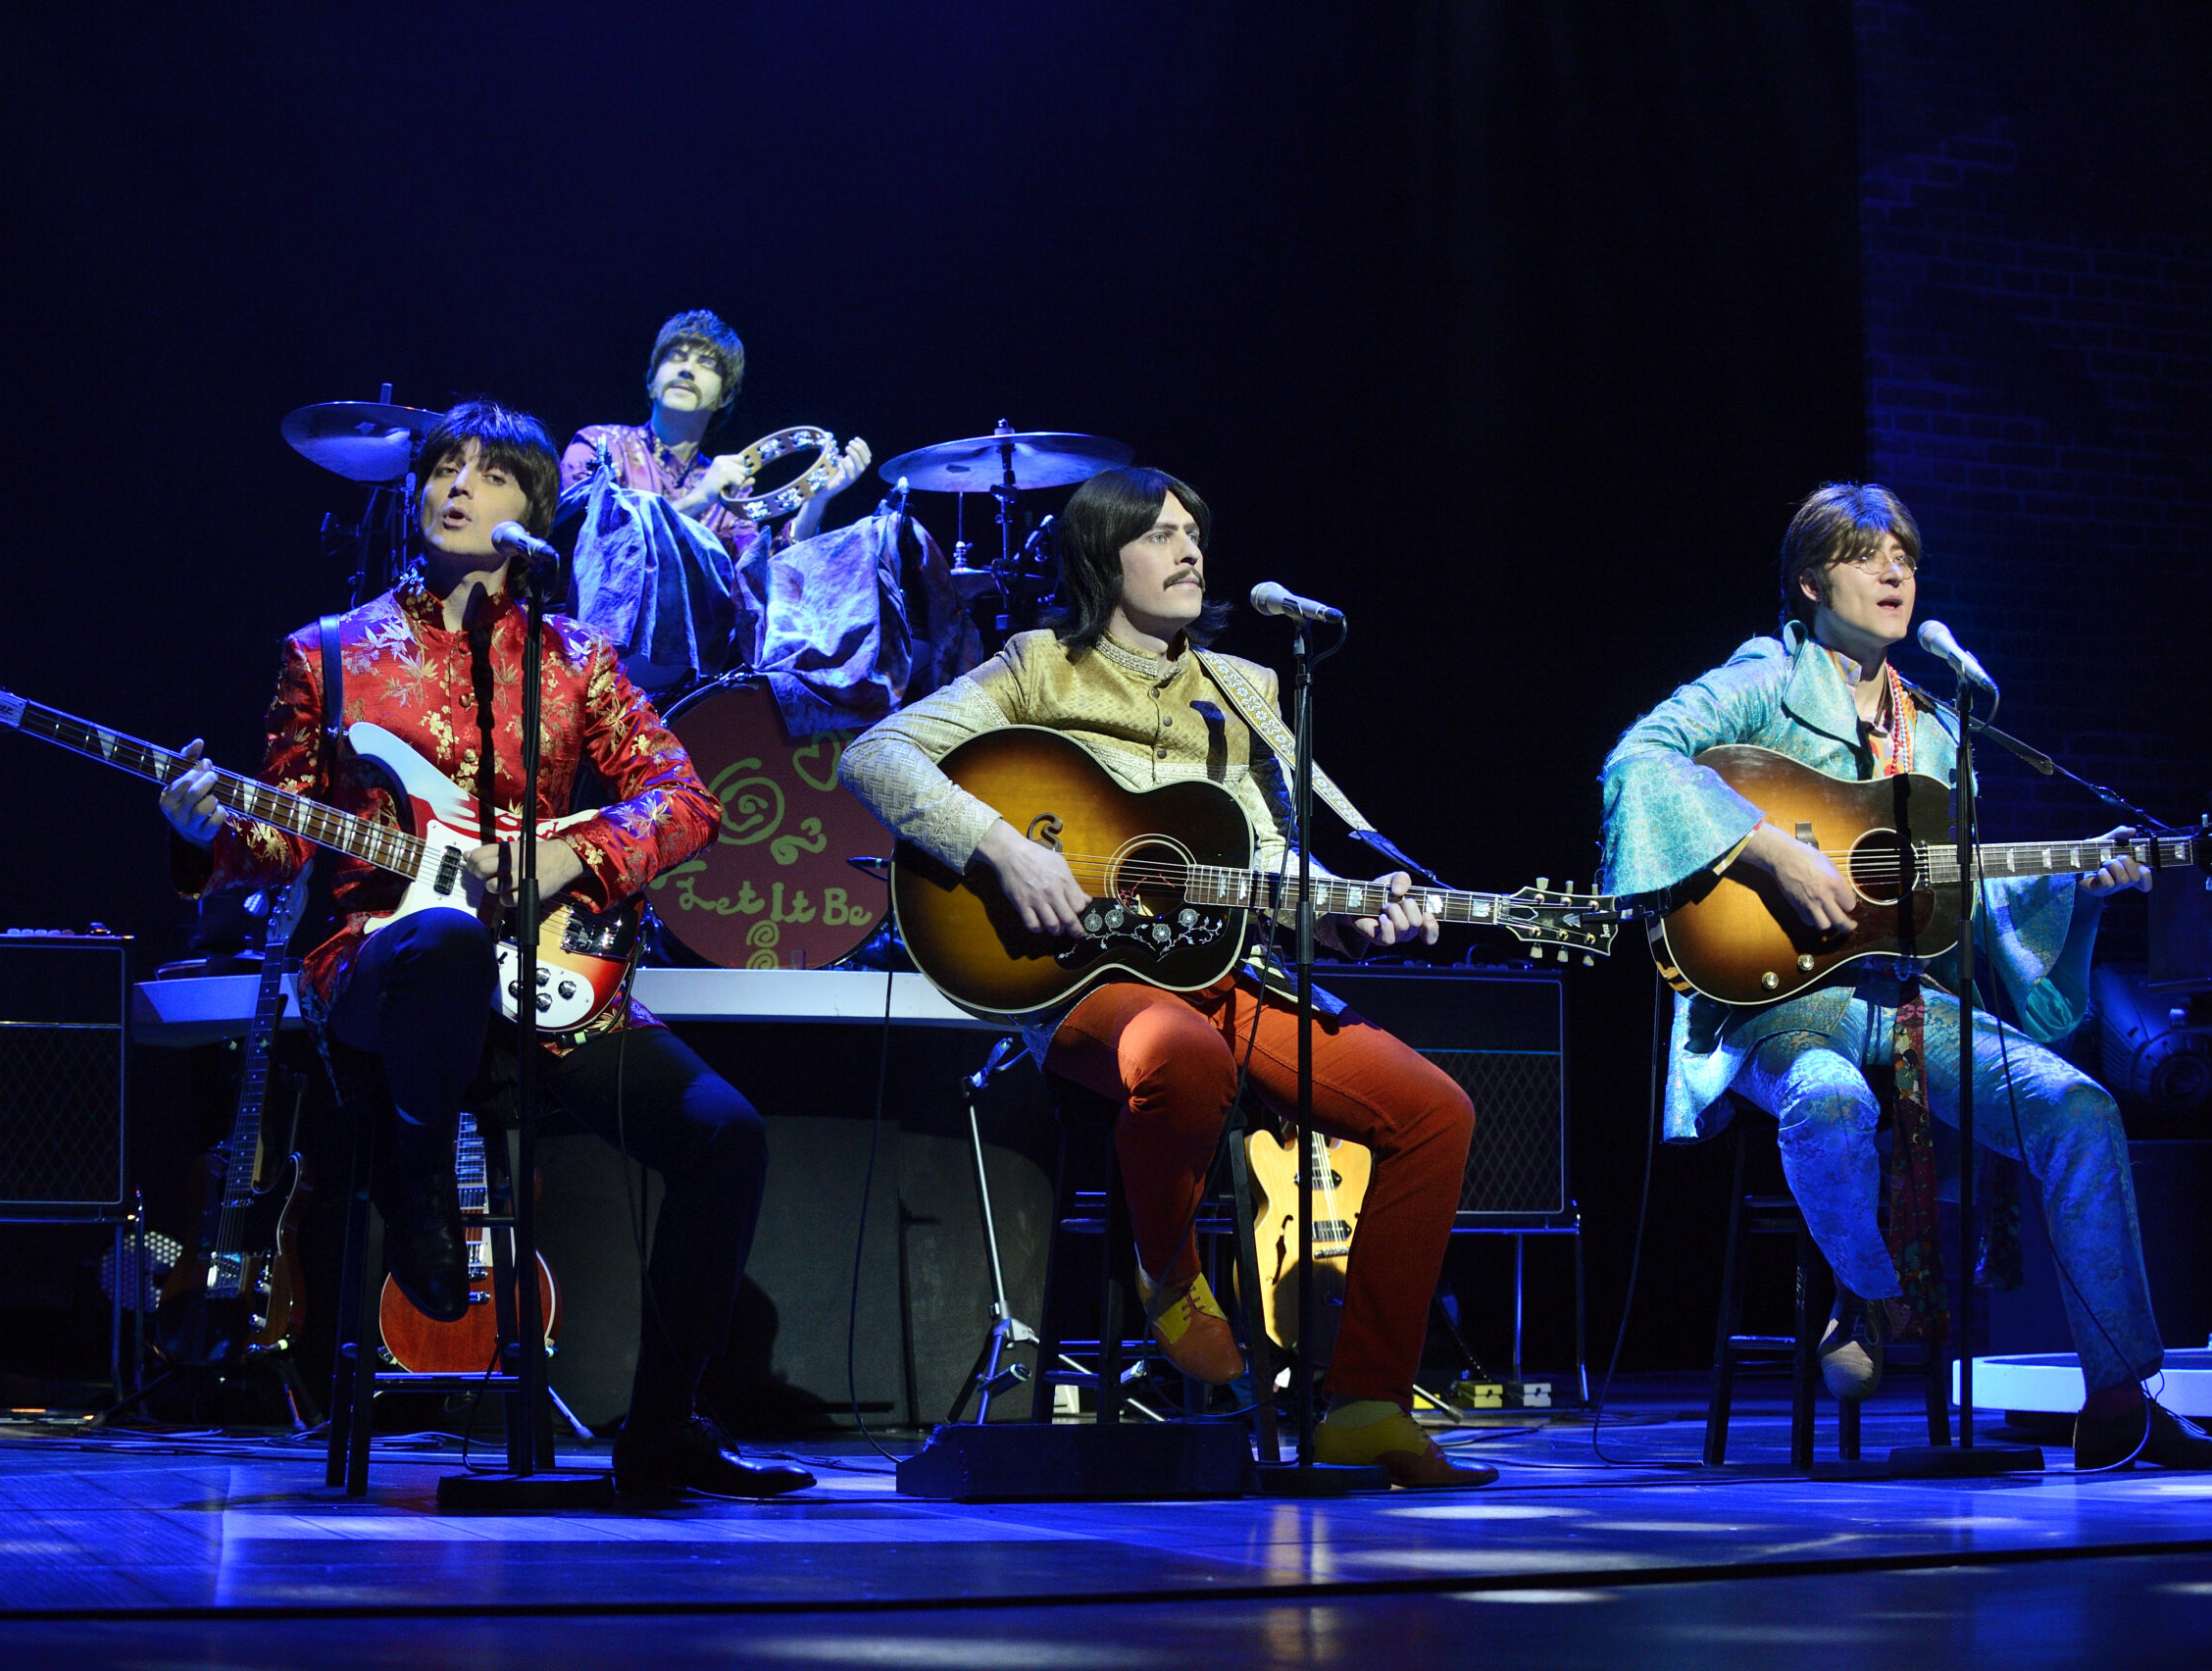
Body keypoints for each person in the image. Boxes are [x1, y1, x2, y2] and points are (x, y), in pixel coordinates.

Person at [159, 398, 812, 1498]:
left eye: (490, 473)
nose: (456, 485)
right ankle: (418, 1174)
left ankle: (661, 1430)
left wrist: (571, 860)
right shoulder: (328, 654)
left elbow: (687, 798)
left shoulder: (575, 658)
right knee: (444, 941)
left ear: (534, 511)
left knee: (724, 1136)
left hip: (545, 975)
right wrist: (203, 832)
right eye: (442, 468)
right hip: (383, 966)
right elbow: (278, 835)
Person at [839, 467, 1493, 1489]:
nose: (1190, 551)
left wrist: (1353, 913)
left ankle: (1366, 1403)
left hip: (1233, 969)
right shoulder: (1034, 666)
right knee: (1177, 1055)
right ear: (1104, 560)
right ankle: (1169, 1266)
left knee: (1434, 1112)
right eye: (1160, 535)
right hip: (1084, 979)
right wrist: (1001, 848)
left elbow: (1269, 854)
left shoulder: (1247, 688)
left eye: (1194, 532)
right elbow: (877, 757)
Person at [1599, 481, 2212, 1470]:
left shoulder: (1937, 728)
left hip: (1909, 999)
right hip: (1781, 1002)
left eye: (1902, 551)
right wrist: (1771, 849)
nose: (1894, 570)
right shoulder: (1761, 682)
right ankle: (1873, 1293)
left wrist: (2085, 885)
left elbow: (1966, 903)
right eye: (1866, 554)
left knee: (2076, 1108)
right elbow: (1636, 764)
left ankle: (2122, 1397)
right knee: (1824, 1107)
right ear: (1812, 582)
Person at [559, 308, 874, 560]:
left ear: (724, 396)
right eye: (676, 357)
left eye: (705, 363)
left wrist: (814, 500)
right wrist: (700, 498)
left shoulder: (729, 488)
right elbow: (584, 544)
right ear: (651, 381)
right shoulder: (599, 445)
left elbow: (759, 581)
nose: (686, 369)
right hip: (593, 636)